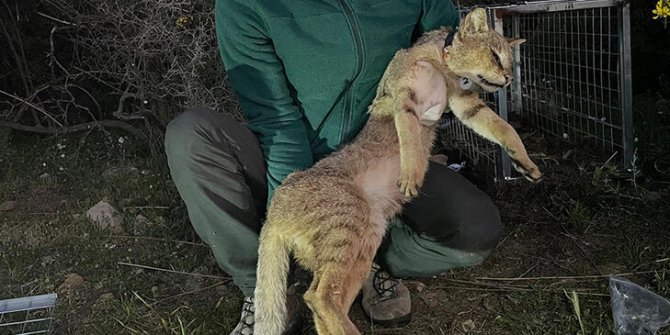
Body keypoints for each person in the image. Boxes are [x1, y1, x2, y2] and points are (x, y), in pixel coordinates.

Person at [164, 1, 502, 334]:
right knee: (192, 136)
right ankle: (270, 286)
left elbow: (450, 49)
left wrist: (439, 97)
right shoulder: (242, 6)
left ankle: (365, 261)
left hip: (380, 154)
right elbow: (274, 117)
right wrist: (300, 205)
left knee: (475, 227)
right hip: (291, 156)